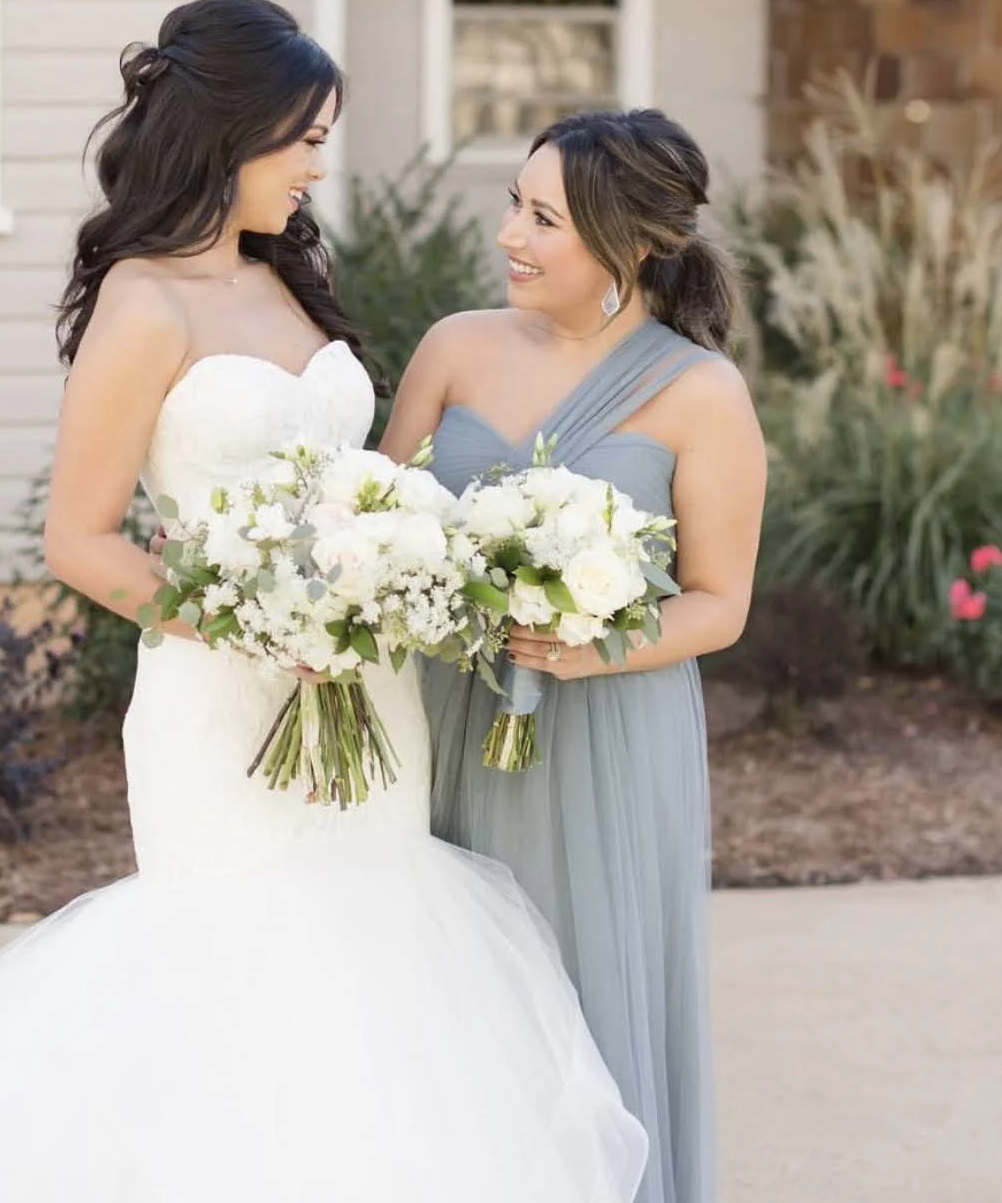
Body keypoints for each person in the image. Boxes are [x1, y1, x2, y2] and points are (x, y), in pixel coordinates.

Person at [0, 0, 648, 1203]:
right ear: (232, 131)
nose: (317, 165)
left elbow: (362, 482)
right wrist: (259, 622)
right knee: (239, 969)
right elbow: (80, 540)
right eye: (303, 139)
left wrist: (392, 571)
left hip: (364, 688)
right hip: (220, 703)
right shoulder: (145, 303)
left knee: (374, 962)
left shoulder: (291, 279)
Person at [378, 108, 768, 1203]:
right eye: (515, 203)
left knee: (581, 991)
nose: (512, 234)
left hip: (604, 735)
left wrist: (599, 646)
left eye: (546, 218)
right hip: (446, 714)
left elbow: (721, 603)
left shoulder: (698, 393)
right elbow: (379, 516)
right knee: (446, 1002)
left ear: (635, 240)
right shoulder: (455, 349)